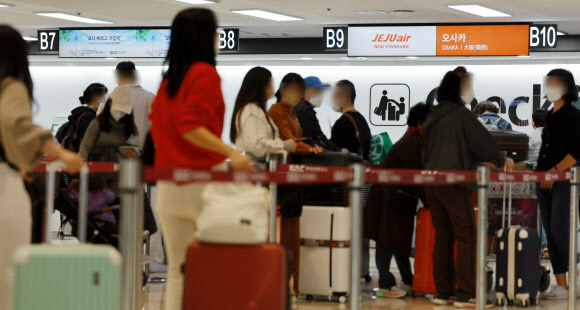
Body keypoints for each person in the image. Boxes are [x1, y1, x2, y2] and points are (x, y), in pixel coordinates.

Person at [149, 9, 252, 310]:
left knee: (179, 270)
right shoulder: (204, 74)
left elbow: (157, 127)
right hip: (204, 184)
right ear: (205, 36)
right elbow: (191, 127)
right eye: (215, 31)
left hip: (169, 186)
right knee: (213, 268)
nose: (219, 37)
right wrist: (231, 152)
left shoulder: (169, 82)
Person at [0, 25, 84, 310]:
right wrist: (61, 152)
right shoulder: (11, 86)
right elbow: (17, 126)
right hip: (4, 187)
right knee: (8, 275)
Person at [423, 70, 513, 308]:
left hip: (432, 184)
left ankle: (443, 293)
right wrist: (502, 159)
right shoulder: (460, 115)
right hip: (455, 182)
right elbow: (484, 145)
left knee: (443, 237)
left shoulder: (433, 115)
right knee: (466, 236)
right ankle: (465, 294)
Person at [364, 103, 431, 299]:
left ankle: (408, 280)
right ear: (420, 122)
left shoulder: (415, 139)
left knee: (398, 242)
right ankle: (385, 284)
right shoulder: (413, 143)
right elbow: (418, 178)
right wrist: (431, 203)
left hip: (398, 198)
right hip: (390, 198)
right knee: (387, 240)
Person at [536, 69, 580, 300]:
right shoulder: (551, 115)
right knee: (550, 235)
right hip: (543, 181)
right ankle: (561, 285)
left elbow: (575, 152)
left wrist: (554, 173)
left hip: (563, 181)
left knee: (561, 232)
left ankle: (575, 278)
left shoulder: (574, 116)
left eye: (553, 83)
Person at [231, 66, 297, 160]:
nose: (273, 87)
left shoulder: (255, 110)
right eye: (270, 83)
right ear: (262, 86)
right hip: (256, 168)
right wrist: (285, 145)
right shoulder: (251, 111)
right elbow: (257, 145)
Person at [79, 86, 139, 161]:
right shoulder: (97, 123)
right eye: (118, 108)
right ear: (109, 103)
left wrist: (134, 155)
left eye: (123, 110)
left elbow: (137, 150)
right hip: (97, 169)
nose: (120, 113)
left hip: (123, 169)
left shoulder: (131, 127)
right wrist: (82, 166)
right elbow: (85, 147)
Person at [268, 72, 323, 154]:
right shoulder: (276, 110)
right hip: (282, 160)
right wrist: (308, 148)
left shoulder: (291, 112)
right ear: (283, 90)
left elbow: (296, 139)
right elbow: (289, 140)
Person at [114, 61, 156, 148]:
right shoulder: (152, 97)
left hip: (115, 152)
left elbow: (100, 126)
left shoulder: (108, 98)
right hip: (145, 150)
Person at [56, 83, 108, 152]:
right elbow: (84, 142)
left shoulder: (79, 115)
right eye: (105, 97)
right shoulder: (88, 116)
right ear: (96, 97)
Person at [294, 76, 340, 151]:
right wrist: (339, 151)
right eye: (317, 91)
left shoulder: (298, 107)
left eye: (322, 91)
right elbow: (318, 138)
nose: (321, 94)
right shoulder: (305, 110)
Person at [330, 80, 372, 160]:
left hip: (347, 167)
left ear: (344, 97)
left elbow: (334, 152)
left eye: (335, 96)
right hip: (362, 164)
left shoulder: (342, 123)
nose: (332, 99)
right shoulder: (361, 119)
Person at [527, 108, 549, 257]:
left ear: (533, 123)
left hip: (531, 177)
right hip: (552, 178)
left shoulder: (530, 136)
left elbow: (525, 159)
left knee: (531, 210)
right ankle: (546, 245)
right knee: (547, 212)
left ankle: (528, 244)